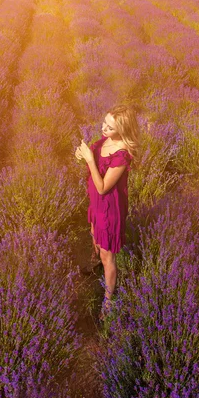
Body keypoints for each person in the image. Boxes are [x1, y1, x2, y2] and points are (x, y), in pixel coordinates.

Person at [75, 104, 140, 320]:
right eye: (104, 123)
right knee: (94, 235)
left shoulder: (122, 156)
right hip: (97, 204)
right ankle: (96, 263)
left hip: (109, 209)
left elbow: (103, 187)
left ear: (122, 130)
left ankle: (109, 301)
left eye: (110, 127)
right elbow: (92, 162)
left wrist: (90, 159)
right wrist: (82, 155)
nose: (104, 129)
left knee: (108, 255)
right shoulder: (105, 141)